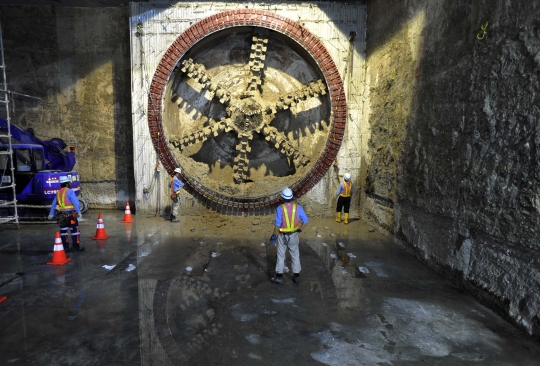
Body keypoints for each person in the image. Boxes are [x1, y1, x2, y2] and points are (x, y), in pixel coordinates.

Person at [269, 187, 308, 285]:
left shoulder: (280, 208)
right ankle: (296, 277)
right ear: (291, 198)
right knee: (295, 255)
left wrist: (274, 235)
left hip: (283, 236)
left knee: (281, 256)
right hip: (294, 235)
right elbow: (306, 220)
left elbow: (277, 224)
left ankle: (279, 278)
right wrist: (300, 229)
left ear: (283, 198)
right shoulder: (297, 207)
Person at [48, 176, 84, 252]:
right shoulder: (70, 191)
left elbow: (54, 204)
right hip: (70, 215)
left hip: (61, 216)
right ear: (67, 183)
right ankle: (76, 247)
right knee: (75, 231)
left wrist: (51, 213)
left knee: (63, 232)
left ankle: (65, 247)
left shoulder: (58, 193)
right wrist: (79, 212)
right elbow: (75, 202)